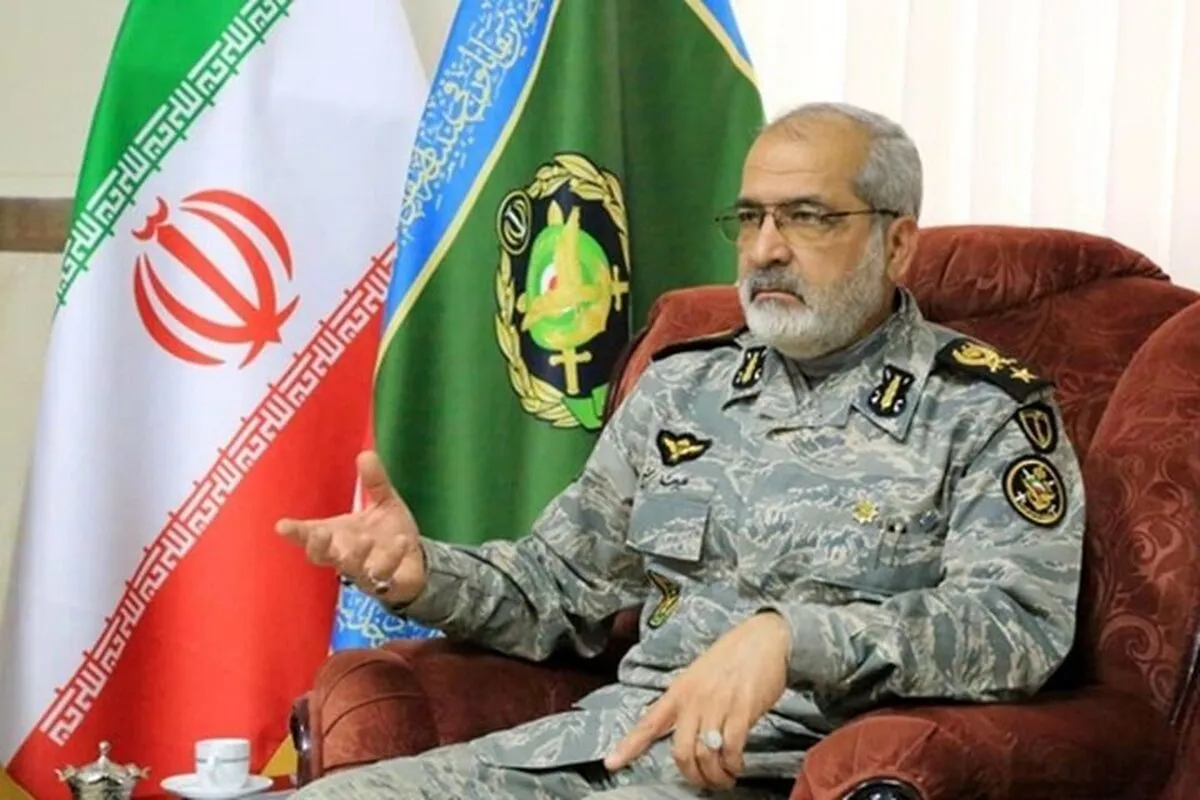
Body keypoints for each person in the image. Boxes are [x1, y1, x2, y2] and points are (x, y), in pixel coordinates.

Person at [278, 102, 1085, 799]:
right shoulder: (682, 388)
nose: (765, 249)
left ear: (897, 243)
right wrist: (422, 572)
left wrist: (792, 637)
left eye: (806, 217)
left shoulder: (982, 409)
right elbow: (558, 587)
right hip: (591, 749)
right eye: (751, 218)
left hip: (774, 771)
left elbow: (1015, 628)